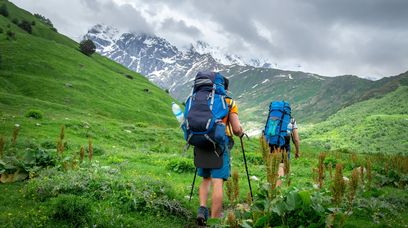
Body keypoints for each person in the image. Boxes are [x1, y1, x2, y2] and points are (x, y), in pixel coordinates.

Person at [196, 77, 243, 225]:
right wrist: (241, 132)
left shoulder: (200, 98)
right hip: (220, 144)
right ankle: (215, 221)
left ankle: (202, 209)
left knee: (205, 178)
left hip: (201, 141)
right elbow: (236, 129)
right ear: (225, 88)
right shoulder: (229, 102)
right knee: (217, 181)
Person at [270, 117, 300, 186]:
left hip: (271, 143)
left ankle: (273, 187)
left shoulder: (272, 116)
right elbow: (296, 139)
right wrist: (297, 151)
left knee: (273, 166)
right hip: (284, 144)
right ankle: (276, 190)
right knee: (281, 167)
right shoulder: (292, 120)